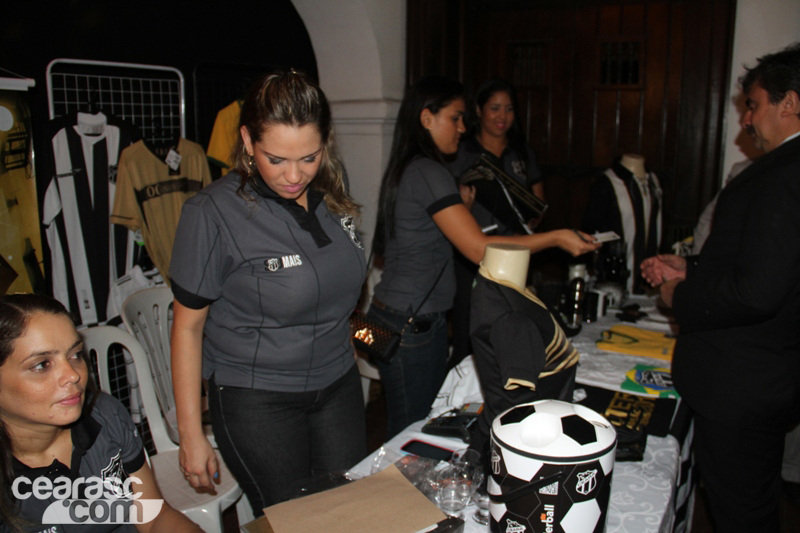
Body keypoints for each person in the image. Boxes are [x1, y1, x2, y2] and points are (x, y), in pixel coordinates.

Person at [169, 71, 367, 512]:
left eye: (309, 157)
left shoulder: (334, 196)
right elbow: (186, 329)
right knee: (292, 519)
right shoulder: (211, 213)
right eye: (275, 159)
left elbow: (345, 290)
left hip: (337, 385)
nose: (294, 175)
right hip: (257, 398)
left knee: (348, 510)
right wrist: (190, 434)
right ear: (246, 139)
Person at [369, 75, 599, 439]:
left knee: (411, 424)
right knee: (411, 433)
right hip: (410, 325)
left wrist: (460, 206)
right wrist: (556, 237)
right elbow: (480, 250)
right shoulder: (429, 171)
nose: (462, 128)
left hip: (395, 314)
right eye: (455, 118)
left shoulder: (412, 167)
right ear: (427, 118)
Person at [641, 42, 800, 532]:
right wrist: (692, 266)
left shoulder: (781, 175)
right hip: (767, 377)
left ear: (788, 103)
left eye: (753, 106)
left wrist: (678, 295)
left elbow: (756, 292)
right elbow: (769, 263)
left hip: (743, 384)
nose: (747, 121)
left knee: (742, 514)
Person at [0, 294, 201, 533]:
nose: (74, 375)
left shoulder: (104, 415)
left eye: (75, 355)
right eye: (42, 364)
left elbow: (153, 515)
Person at [447, 79, 547, 367]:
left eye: (509, 109)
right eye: (494, 108)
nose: (502, 116)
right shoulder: (460, 152)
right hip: (471, 258)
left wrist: (530, 216)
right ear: (478, 111)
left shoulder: (522, 153)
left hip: (514, 255)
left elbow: (539, 206)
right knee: (469, 335)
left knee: (510, 331)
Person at [468, 243, 578, 464]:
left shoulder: (492, 285)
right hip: (520, 452)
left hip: (512, 437)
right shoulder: (512, 318)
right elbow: (516, 404)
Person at [583, 153, 662, 294]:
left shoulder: (653, 181)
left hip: (648, 279)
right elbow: (590, 229)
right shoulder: (606, 183)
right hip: (613, 281)